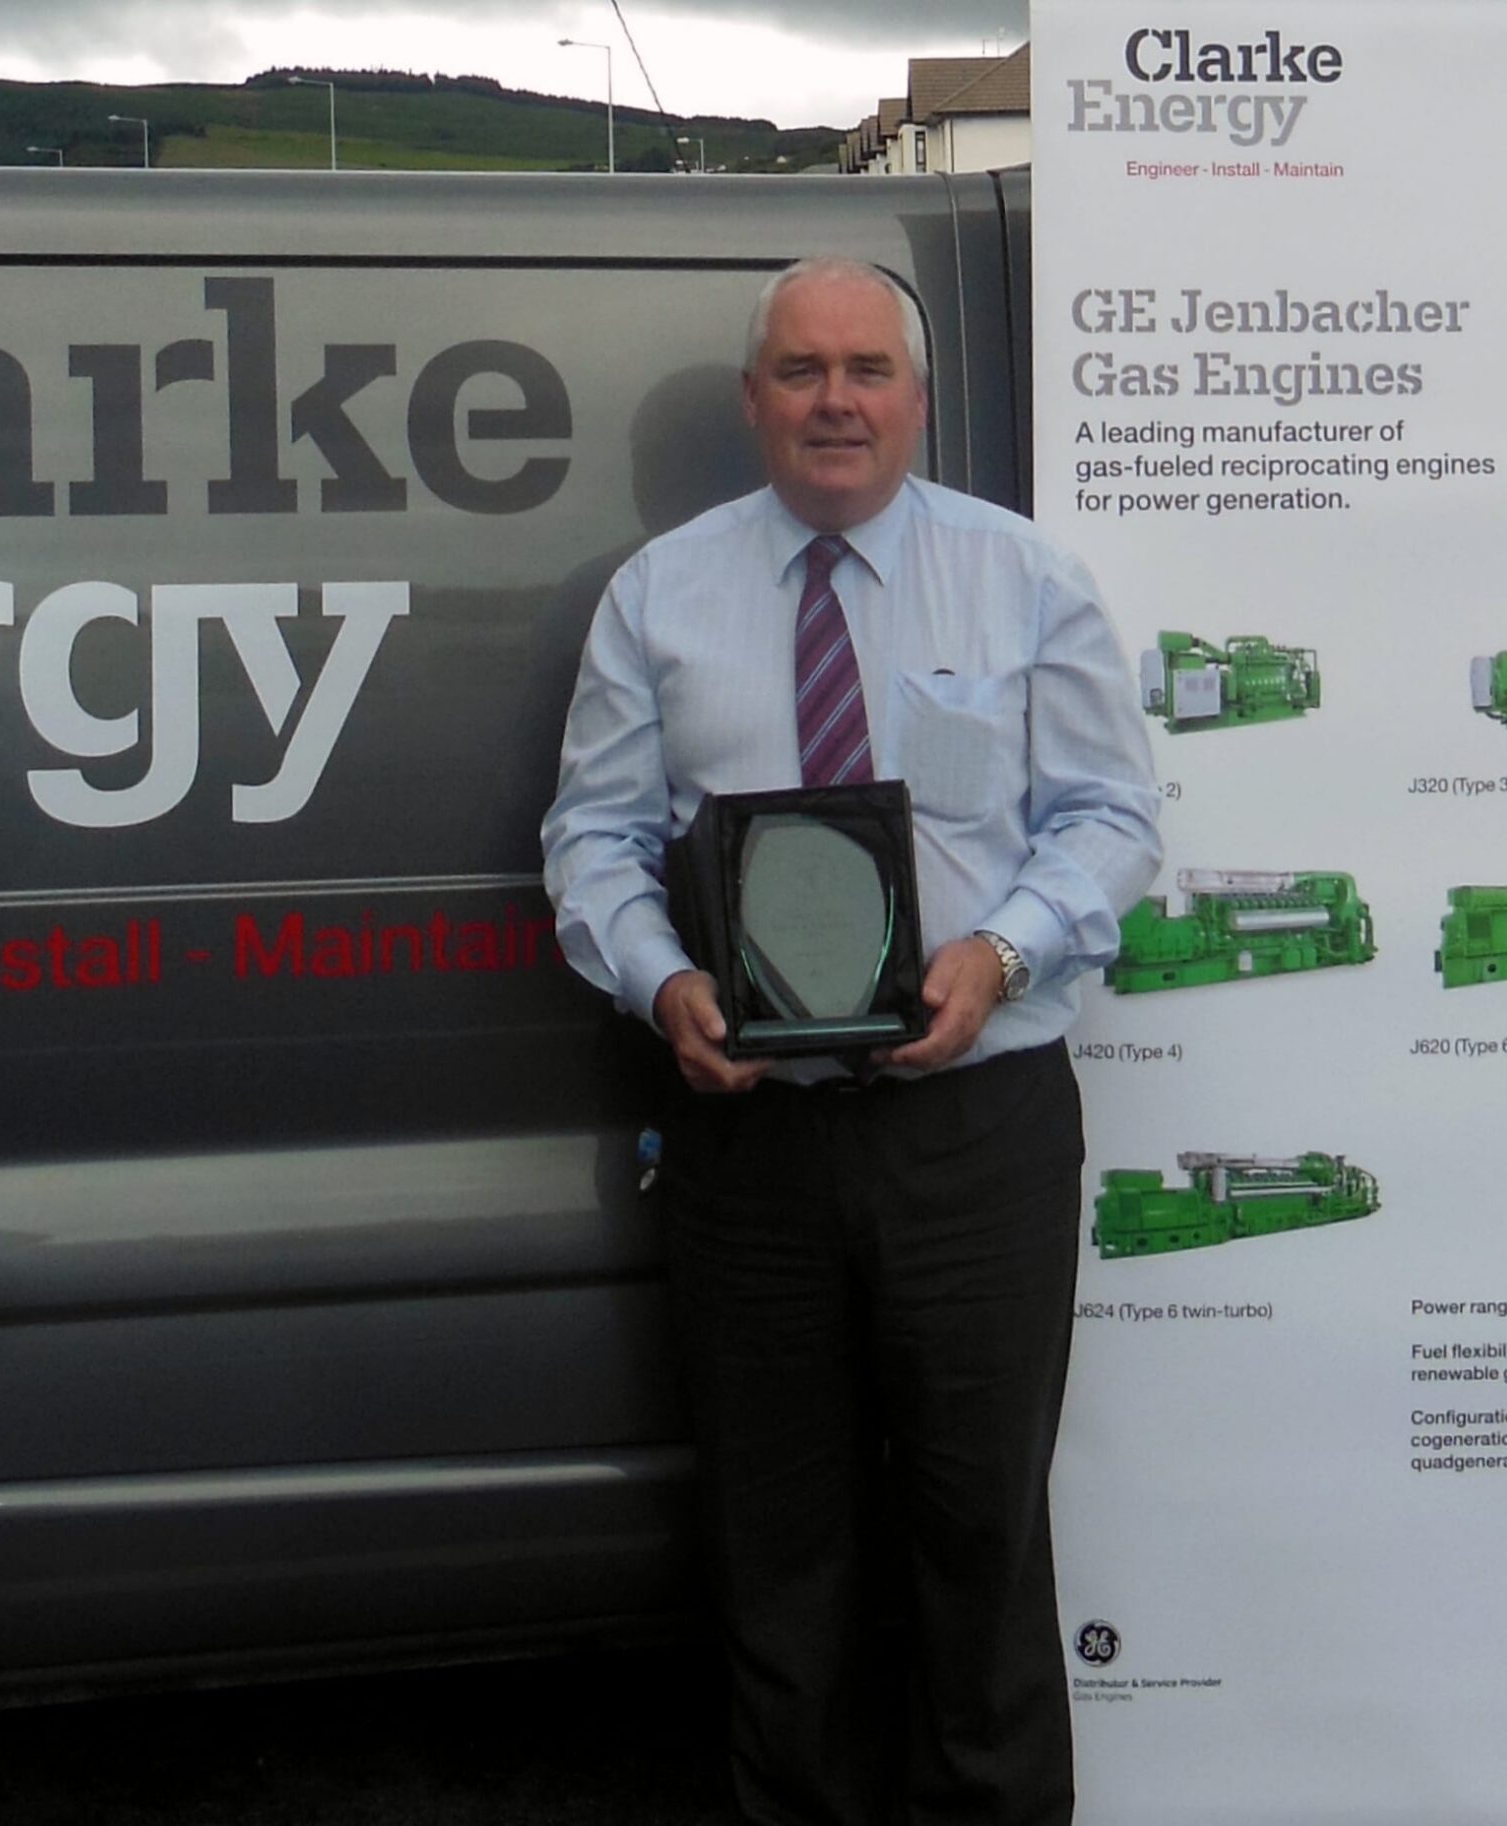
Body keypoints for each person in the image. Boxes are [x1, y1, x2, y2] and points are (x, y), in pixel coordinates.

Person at [540, 258, 1161, 1826]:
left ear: (919, 397)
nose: (836, 400)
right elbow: (594, 841)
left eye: (867, 369)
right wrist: (665, 981)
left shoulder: (1028, 582)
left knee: (981, 1547)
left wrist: (1000, 950)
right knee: (779, 1554)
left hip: (978, 1132)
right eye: (802, 371)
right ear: (755, 400)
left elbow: (1110, 819)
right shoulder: (658, 596)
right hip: (752, 1145)